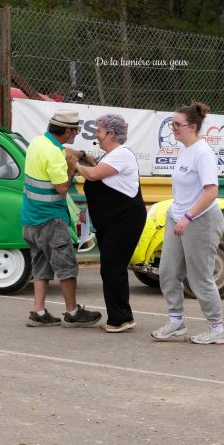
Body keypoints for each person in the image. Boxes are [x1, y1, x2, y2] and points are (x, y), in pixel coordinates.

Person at [152, 102, 224, 345]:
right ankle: (176, 322)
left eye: (177, 124)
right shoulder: (185, 149)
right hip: (178, 217)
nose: (172, 128)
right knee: (168, 272)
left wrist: (187, 217)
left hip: (200, 220)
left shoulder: (203, 152)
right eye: (171, 123)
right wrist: (176, 214)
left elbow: (211, 191)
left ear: (192, 127)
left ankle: (217, 329)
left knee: (200, 278)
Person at [22, 110, 102, 328]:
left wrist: (83, 155)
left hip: (30, 219)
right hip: (51, 220)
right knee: (66, 266)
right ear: (67, 130)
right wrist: (70, 169)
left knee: (41, 265)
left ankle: (38, 311)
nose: (75, 133)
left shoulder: (38, 143)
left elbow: (64, 149)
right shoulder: (56, 156)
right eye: (75, 130)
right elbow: (62, 189)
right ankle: (73, 312)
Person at [72, 114, 145, 333]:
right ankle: (120, 315)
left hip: (125, 221)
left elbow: (93, 174)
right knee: (111, 268)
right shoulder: (111, 155)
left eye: (99, 131)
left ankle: (121, 318)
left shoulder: (121, 154)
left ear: (111, 134)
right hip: (113, 221)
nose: (96, 135)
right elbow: (96, 168)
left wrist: (74, 163)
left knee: (114, 268)